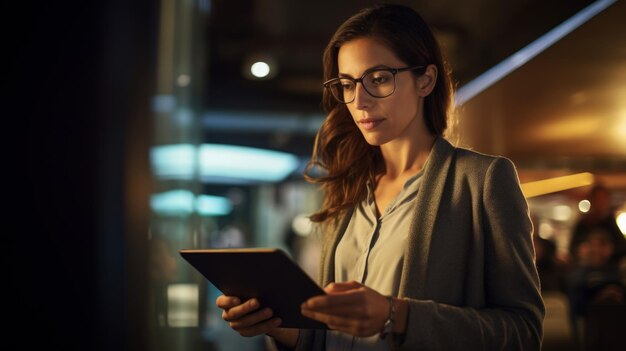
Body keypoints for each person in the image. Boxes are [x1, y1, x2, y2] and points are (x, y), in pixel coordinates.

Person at [216, 4, 544, 350]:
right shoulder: (348, 189)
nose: (360, 101)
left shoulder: (481, 181)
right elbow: (331, 335)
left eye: (379, 79)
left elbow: (523, 331)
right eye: (347, 84)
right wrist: (278, 326)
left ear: (426, 80)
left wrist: (397, 315)